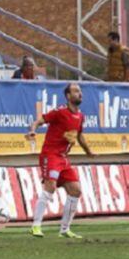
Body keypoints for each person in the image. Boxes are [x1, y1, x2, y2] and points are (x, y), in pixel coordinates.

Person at [26, 82, 94, 238]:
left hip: (63, 158)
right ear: (68, 96)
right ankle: (35, 226)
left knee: (76, 190)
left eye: (80, 91)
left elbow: (79, 135)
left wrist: (88, 151)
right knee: (50, 186)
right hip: (50, 155)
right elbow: (39, 120)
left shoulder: (80, 116)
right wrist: (32, 130)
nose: (80, 94)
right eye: (76, 91)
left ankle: (65, 229)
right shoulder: (59, 112)